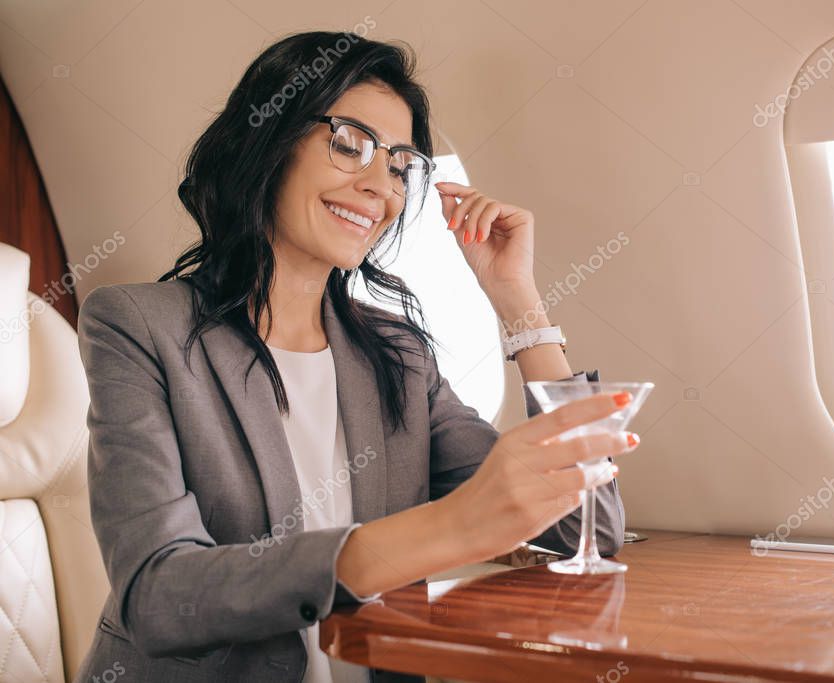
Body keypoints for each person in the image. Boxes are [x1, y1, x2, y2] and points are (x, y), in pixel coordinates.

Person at [74, 31, 637, 683]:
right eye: (350, 143)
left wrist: (518, 301)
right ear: (268, 141)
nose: (380, 186)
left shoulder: (397, 353)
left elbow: (584, 528)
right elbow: (159, 593)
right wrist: (448, 528)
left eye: (400, 165)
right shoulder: (139, 325)